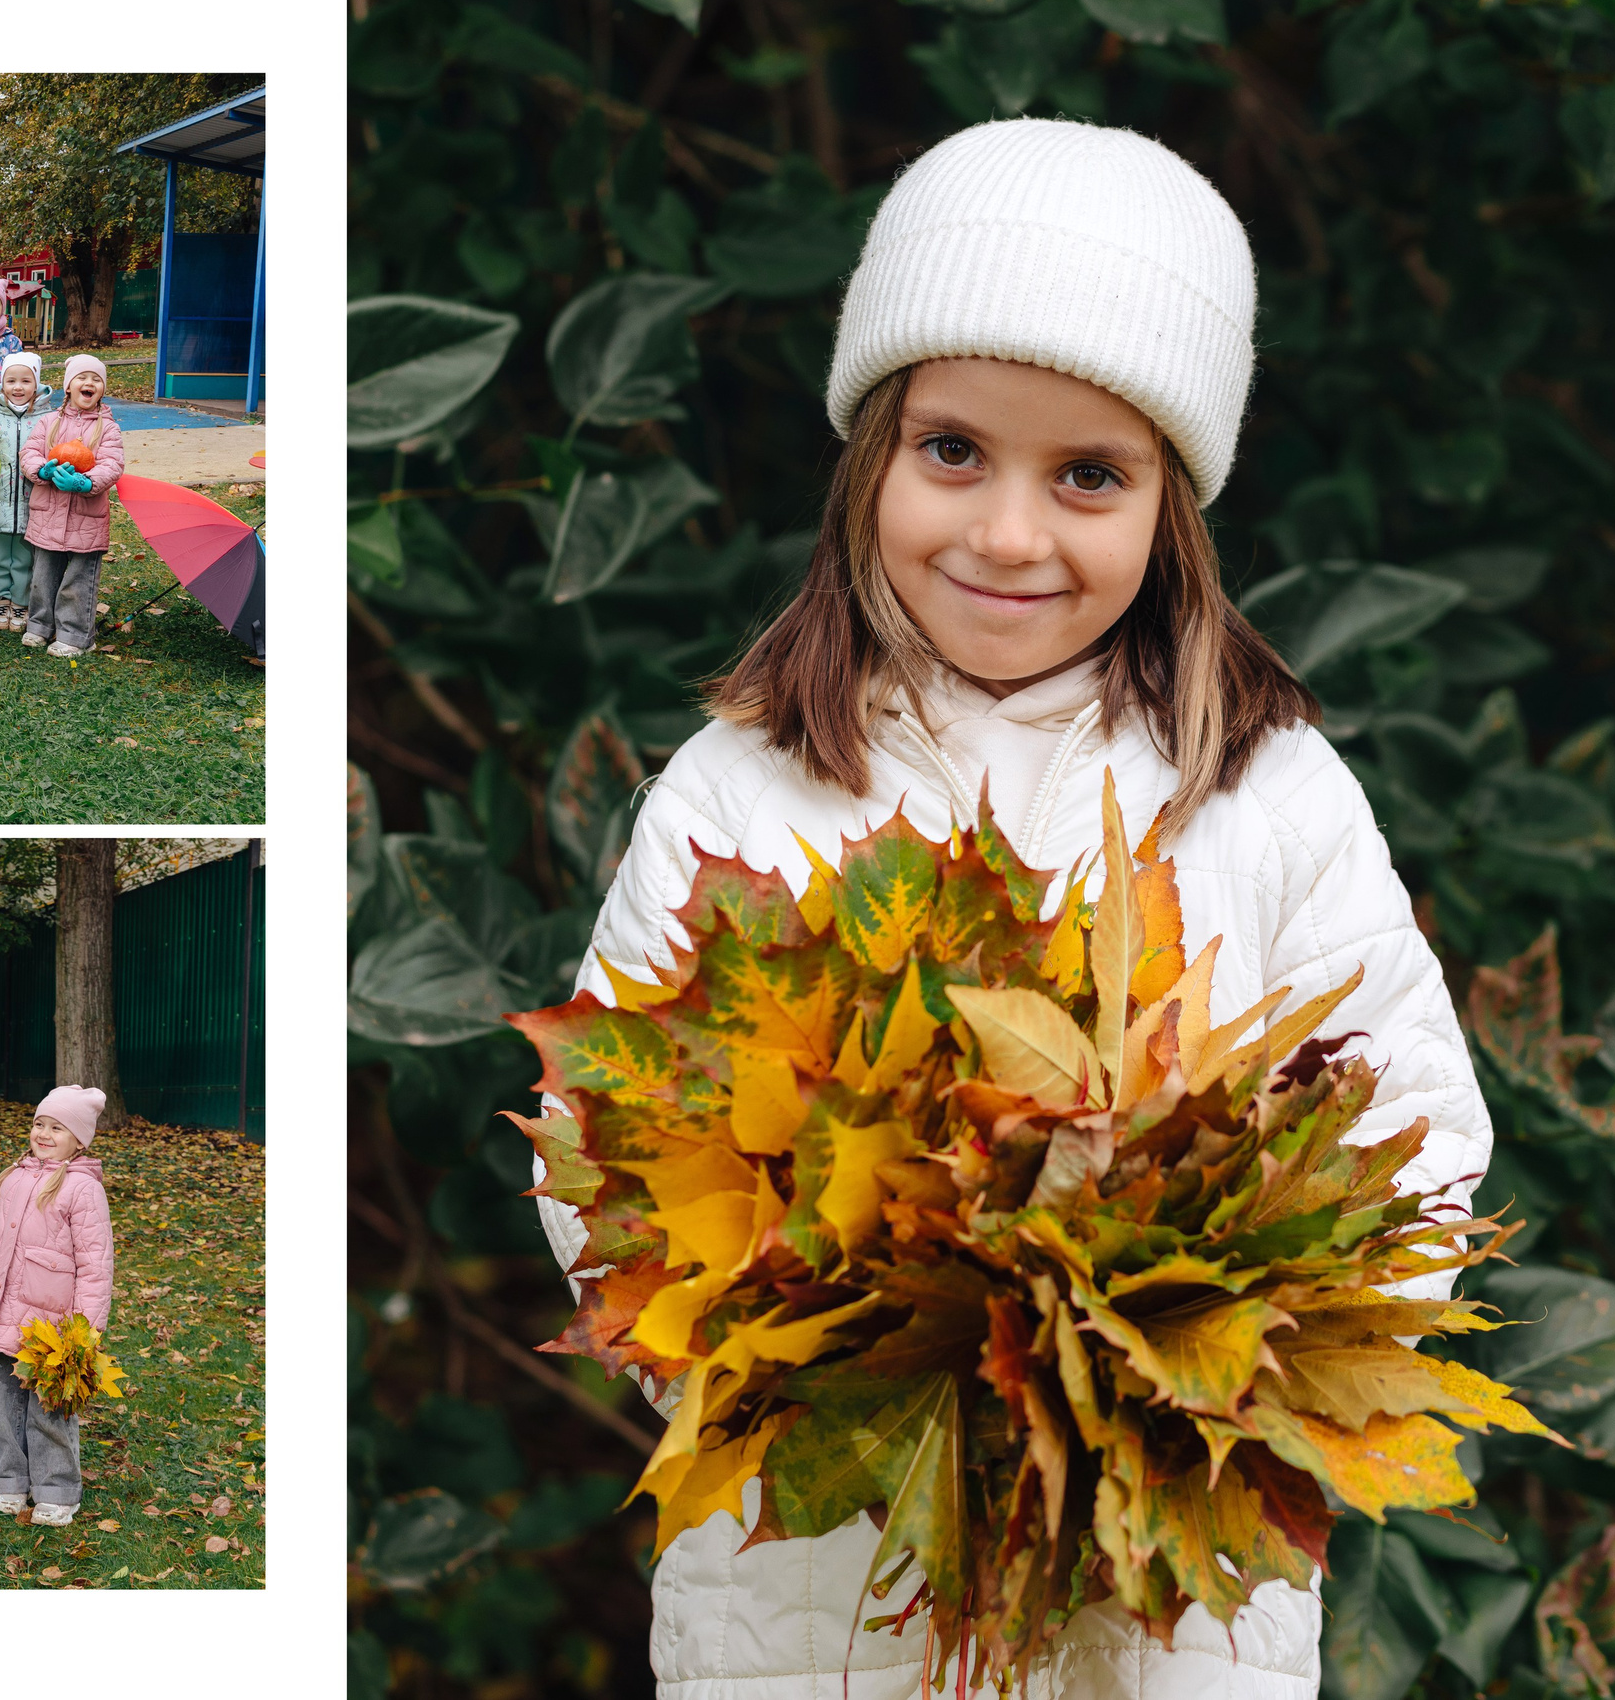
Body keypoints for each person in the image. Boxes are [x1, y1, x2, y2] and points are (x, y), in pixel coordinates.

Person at [534, 117, 1498, 1700]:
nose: (1006, 533)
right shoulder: (741, 791)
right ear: (873, 456)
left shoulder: (1270, 797)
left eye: (1091, 475)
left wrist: (1206, 1396)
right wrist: (841, 1366)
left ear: (1171, 509)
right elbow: (607, 1149)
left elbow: (1411, 1146)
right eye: (954, 449)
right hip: (820, 1601)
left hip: (1166, 1614)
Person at [0, 1085, 114, 1526]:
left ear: (80, 1140)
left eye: (58, 1127)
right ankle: (10, 1483)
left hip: (50, 1327)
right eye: (39, 1124)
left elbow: (95, 1266)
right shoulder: (12, 1178)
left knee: (48, 1410)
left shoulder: (82, 1189)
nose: (45, 1133)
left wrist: (84, 1332)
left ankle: (55, 1490)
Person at [17, 354, 124, 660]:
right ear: (68, 386)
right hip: (47, 514)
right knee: (43, 575)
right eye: (82, 378)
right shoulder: (49, 421)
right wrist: (42, 471)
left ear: (102, 389)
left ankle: (75, 635)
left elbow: (112, 464)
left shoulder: (108, 429)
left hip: (86, 517)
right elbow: (30, 453)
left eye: (96, 379)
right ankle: (39, 625)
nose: (88, 383)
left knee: (78, 580)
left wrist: (86, 483)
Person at [0, 352, 51, 633]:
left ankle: (21, 602)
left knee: (24, 556)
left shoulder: (48, 418)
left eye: (25, 380)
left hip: (31, 502)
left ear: (36, 383)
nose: (17, 387)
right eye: (11, 380)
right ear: (2, 383)